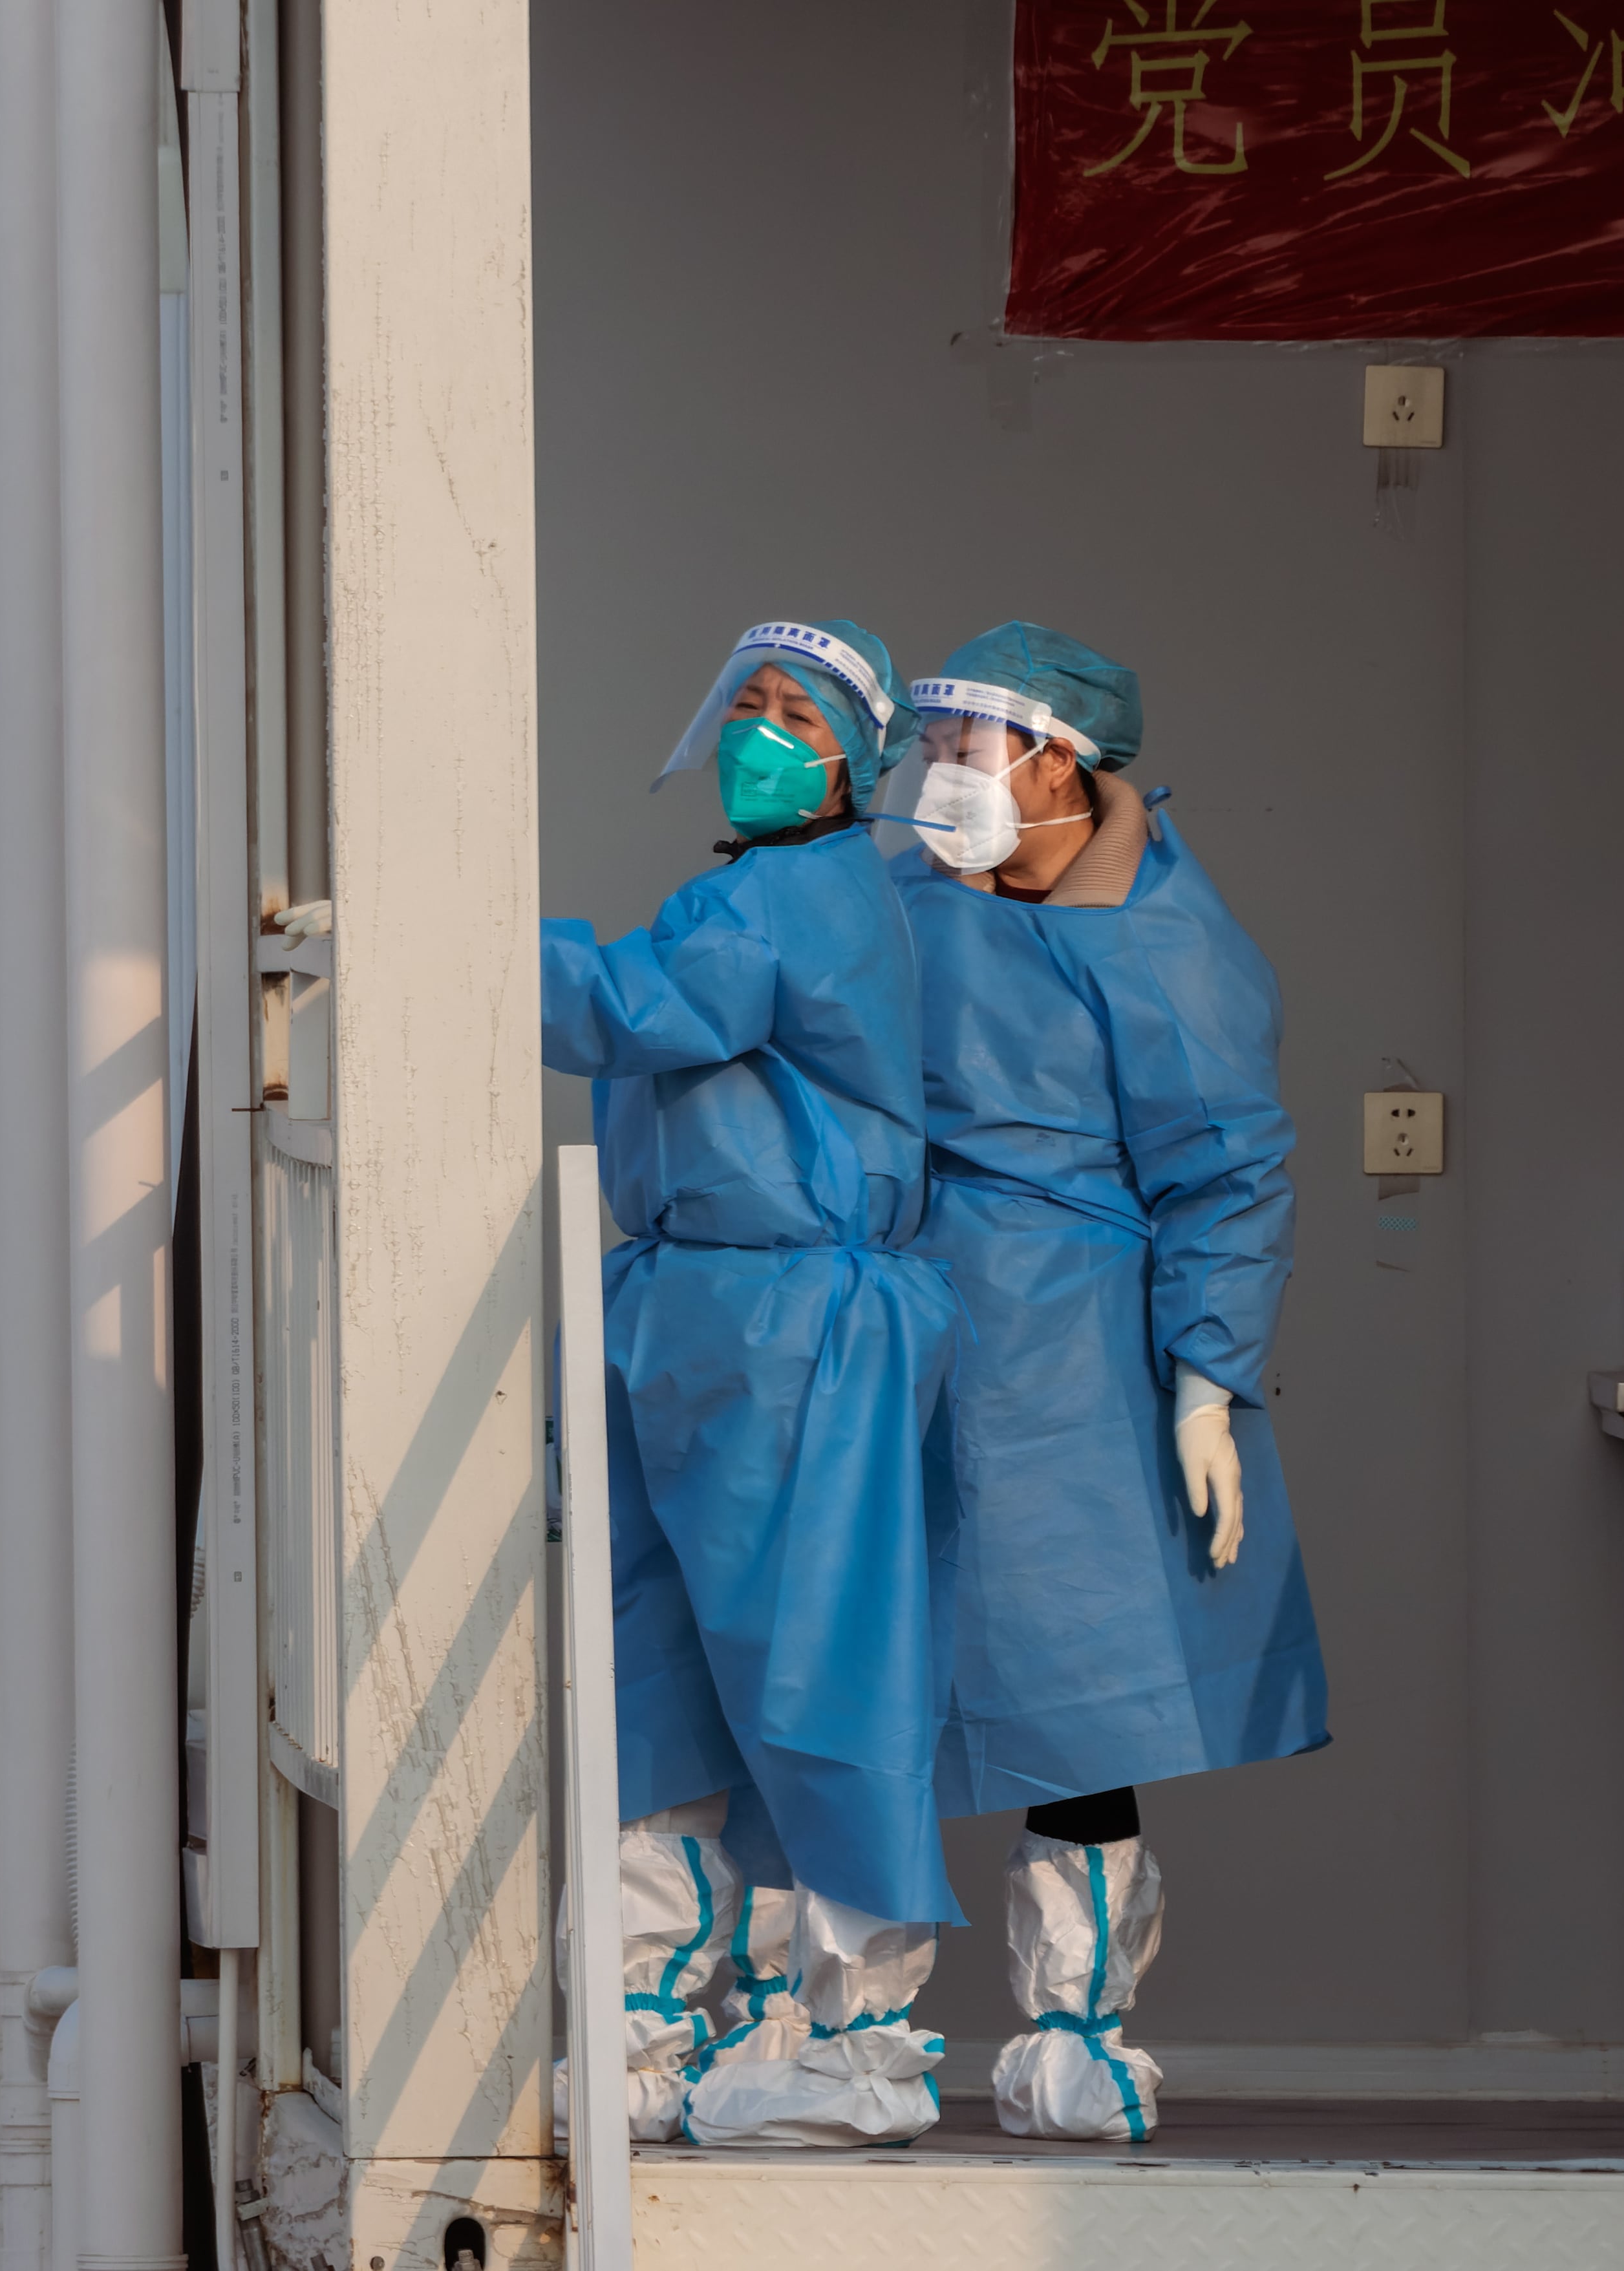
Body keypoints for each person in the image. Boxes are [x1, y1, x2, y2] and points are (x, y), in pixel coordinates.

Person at [895, 622, 1330, 2142]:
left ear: (1057, 760)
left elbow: (1225, 1174)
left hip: (1066, 1362)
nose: (938, 777)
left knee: (1071, 1707)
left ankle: (1075, 2039)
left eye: (966, 746)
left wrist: (1205, 1376)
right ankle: (843, 2038)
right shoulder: (912, 900)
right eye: (929, 745)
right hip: (888, 1329)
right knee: (849, 1679)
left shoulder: (1167, 942)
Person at [542, 620, 961, 2148]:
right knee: (656, 1668)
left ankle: (860, 2038)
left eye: (799, 715)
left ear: (858, 762)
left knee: (817, 1670)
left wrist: (449, 933)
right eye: (749, 704)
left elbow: (634, 1009)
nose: (762, 731)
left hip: (799, 1321)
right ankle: (655, 2013)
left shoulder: (796, 895)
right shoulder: (745, 889)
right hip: (695, 1311)